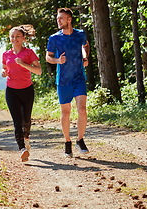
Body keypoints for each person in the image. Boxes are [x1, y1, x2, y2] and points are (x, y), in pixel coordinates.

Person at [46, 8, 90, 158]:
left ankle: (80, 140)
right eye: (58, 18)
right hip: (63, 80)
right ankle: (67, 142)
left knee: (82, 110)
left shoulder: (80, 34)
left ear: (69, 20)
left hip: (79, 78)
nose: (58, 21)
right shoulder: (54, 38)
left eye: (61, 18)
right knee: (66, 113)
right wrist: (57, 60)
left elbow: (85, 46)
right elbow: (48, 57)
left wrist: (85, 57)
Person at [1, 24, 42, 162]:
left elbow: (38, 71)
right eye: (12, 36)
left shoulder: (29, 53)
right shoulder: (6, 54)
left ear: (24, 38)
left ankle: (26, 138)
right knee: (17, 121)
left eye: (18, 36)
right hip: (11, 90)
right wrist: (3, 72)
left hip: (27, 89)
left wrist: (23, 64)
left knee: (26, 120)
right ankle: (22, 149)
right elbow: (5, 68)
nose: (14, 38)